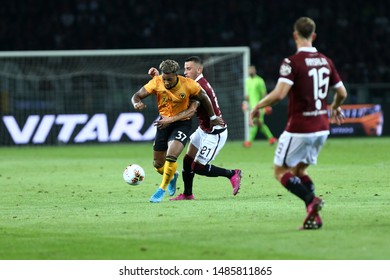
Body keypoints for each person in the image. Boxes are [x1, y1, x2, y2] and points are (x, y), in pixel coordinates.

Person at [249, 17, 347, 230]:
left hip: (300, 127)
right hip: (322, 128)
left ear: (295, 35)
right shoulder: (326, 61)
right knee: (299, 171)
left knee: (280, 171)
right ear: (314, 36)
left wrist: (258, 106)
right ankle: (314, 216)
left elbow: (280, 93)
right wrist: (335, 106)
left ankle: (311, 202)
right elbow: (342, 92)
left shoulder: (291, 62)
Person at [151, 56, 242, 200]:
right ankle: (187, 194)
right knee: (187, 161)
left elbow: (191, 110)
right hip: (203, 129)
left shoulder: (199, 87)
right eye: (185, 68)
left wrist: (171, 119)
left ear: (199, 70)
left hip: (214, 132)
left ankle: (232, 173)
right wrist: (159, 77)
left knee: (198, 167)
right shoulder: (192, 83)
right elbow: (174, 84)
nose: (185, 72)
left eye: (189, 69)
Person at [131, 59, 222, 203]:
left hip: (182, 124)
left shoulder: (188, 84)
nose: (166, 82)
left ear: (176, 75)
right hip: (163, 123)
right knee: (157, 164)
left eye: (169, 79)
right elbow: (137, 95)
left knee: (171, 156)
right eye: (164, 78)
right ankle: (172, 176)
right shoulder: (157, 82)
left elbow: (204, 97)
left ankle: (161, 189)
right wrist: (137, 102)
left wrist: (212, 117)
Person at [242, 65, 277, 147]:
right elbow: (247, 95)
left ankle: (249, 142)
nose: (250, 71)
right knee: (260, 124)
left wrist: (267, 105)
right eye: (249, 69)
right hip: (251, 106)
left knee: (255, 122)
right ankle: (271, 138)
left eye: (252, 69)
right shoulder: (247, 81)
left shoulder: (259, 80)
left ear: (255, 70)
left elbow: (264, 94)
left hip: (260, 106)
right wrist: (244, 103)